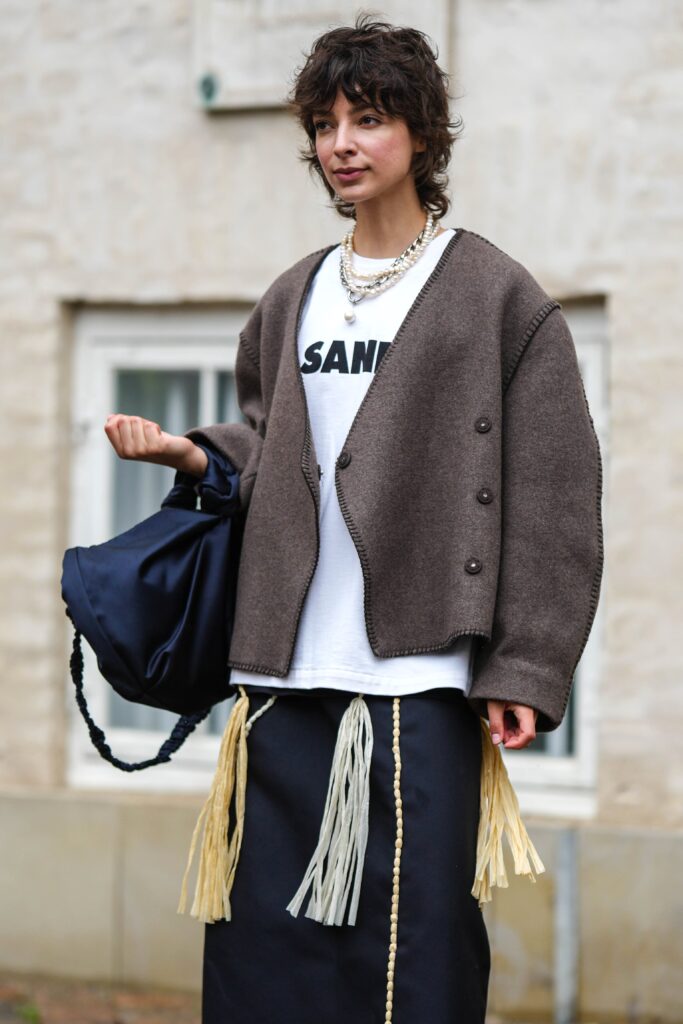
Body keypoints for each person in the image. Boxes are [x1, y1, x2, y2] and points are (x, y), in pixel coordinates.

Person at [104, 14, 603, 1024]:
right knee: (263, 972)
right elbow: (267, 445)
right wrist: (192, 455)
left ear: (419, 133)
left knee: (407, 972)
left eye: (367, 118)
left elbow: (555, 493)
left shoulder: (494, 299)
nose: (341, 141)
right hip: (279, 691)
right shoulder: (293, 298)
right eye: (325, 121)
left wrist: (526, 667)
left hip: (413, 691)